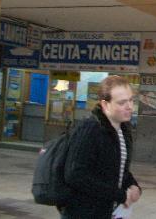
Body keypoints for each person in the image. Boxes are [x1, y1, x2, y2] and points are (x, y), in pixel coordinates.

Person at [61, 75, 141, 218]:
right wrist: (120, 195)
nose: (129, 106)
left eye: (131, 100)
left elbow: (116, 168)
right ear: (105, 104)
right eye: (122, 102)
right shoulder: (90, 129)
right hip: (84, 212)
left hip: (110, 211)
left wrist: (133, 185)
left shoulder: (123, 129)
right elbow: (75, 175)